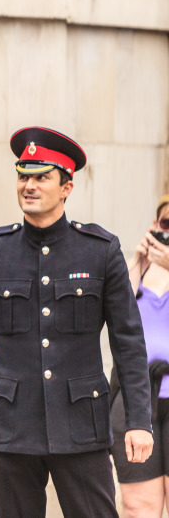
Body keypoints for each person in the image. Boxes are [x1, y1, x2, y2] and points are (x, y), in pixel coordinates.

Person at [0, 126, 153, 518]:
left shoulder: (100, 251)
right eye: (23, 175)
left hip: (82, 427)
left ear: (66, 188)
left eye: (42, 177)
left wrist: (138, 421)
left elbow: (128, 342)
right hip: (11, 429)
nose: (29, 185)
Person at [111, 195, 169, 517]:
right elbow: (116, 314)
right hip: (136, 401)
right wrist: (138, 262)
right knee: (138, 507)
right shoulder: (140, 270)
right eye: (166, 223)